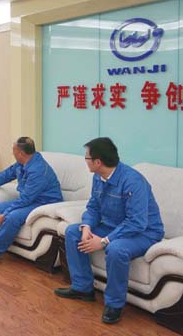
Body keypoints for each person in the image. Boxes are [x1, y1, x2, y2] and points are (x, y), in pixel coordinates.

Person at [55, 137, 164, 324]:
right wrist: (87, 226)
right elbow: (94, 207)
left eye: (87, 158)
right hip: (113, 225)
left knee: (116, 249)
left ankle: (114, 304)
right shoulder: (98, 177)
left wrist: (104, 240)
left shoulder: (133, 181)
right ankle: (82, 288)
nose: (85, 161)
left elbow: (137, 222)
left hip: (144, 232)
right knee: (73, 232)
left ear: (98, 162)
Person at [0, 136, 62, 260]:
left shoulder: (38, 171)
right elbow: (8, 174)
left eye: (13, 150)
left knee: (11, 217)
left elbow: (26, 199)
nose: (12, 153)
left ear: (20, 153)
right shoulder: (22, 162)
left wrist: (5, 214)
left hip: (44, 203)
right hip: (30, 200)